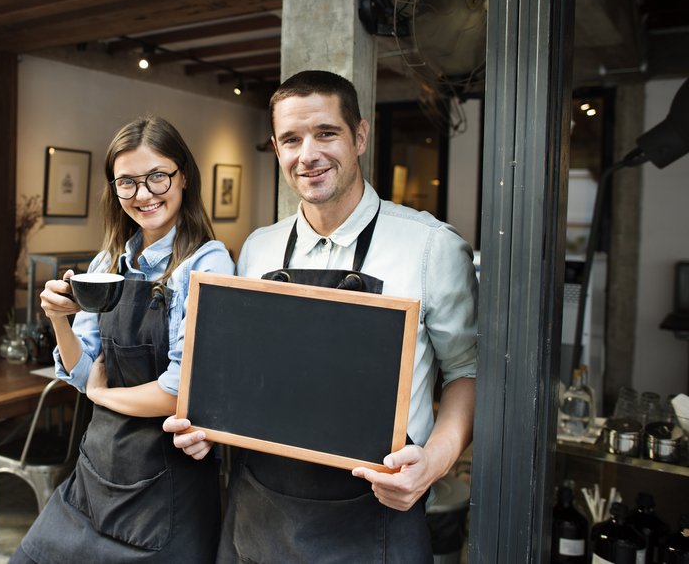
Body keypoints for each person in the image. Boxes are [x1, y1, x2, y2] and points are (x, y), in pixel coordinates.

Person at [164, 70, 478, 563]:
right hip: (259, 508)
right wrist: (206, 424)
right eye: (291, 139)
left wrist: (433, 464)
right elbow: (243, 377)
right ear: (277, 147)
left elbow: (466, 372)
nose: (307, 154)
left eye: (325, 133)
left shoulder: (431, 247)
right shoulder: (257, 248)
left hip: (374, 512)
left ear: (360, 136)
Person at [10, 116, 234, 564]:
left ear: (183, 175)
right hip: (97, 471)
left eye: (157, 177)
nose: (144, 194)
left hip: (166, 485)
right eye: (126, 182)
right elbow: (79, 372)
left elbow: (179, 392)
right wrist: (58, 318)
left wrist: (102, 394)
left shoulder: (207, 263)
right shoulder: (109, 259)